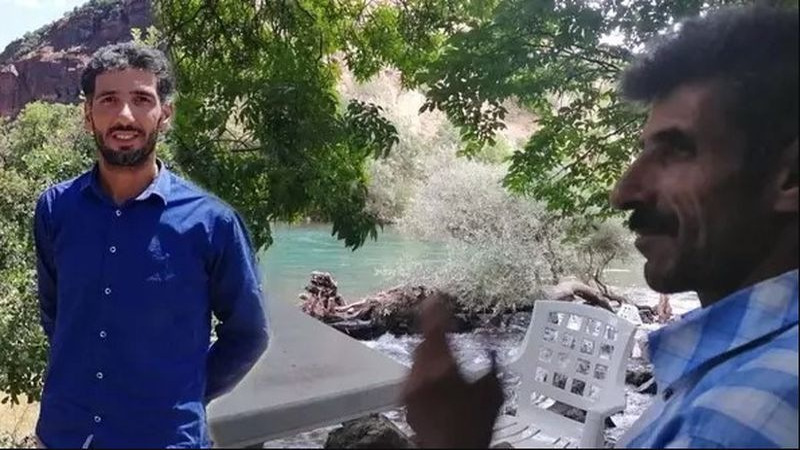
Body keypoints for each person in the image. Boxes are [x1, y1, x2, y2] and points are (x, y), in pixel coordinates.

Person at [402, 5, 798, 448]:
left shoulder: (728, 423)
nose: (623, 191)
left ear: (791, 177)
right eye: (644, 150)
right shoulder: (746, 364)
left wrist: (453, 441)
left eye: (677, 150)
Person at [33, 42, 269, 448]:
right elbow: (57, 314)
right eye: (109, 100)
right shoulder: (56, 209)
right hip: (64, 435)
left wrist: (183, 392)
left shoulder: (211, 223)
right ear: (88, 115)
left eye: (142, 100)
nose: (125, 116)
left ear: (165, 114)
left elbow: (248, 334)